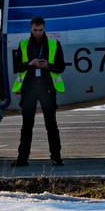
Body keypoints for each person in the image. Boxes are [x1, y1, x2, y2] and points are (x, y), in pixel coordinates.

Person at [12, 16, 66, 166]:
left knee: (51, 124)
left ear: (44, 29)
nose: (38, 33)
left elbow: (61, 66)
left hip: (47, 88)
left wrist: (47, 66)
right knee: (27, 125)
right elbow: (16, 67)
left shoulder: (54, 44)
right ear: (30, 28)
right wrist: (30, 64)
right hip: (29, 88)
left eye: (40, 30)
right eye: (35, 30)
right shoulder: (23, 45)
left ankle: (56, 156)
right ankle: (22, 158)